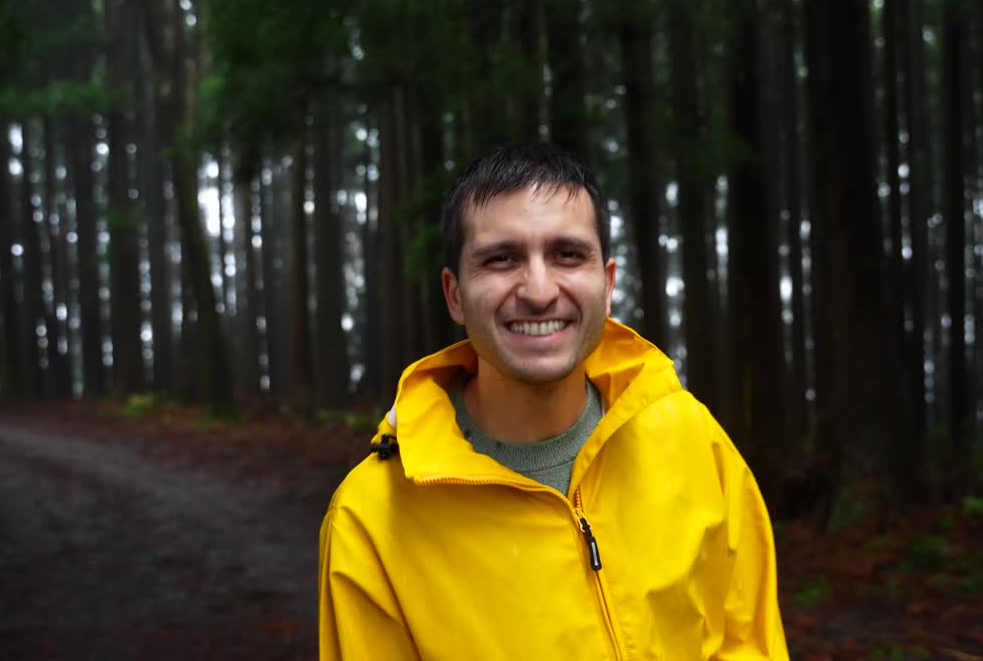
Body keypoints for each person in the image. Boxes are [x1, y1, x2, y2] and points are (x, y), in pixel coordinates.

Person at [318, 143, 789, 660]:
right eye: (502, 259)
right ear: (454, 294)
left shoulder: (693, 440)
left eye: (567, 254)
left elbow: (748, 644)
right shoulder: (371, 518)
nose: (539, 290)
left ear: (606, 285)